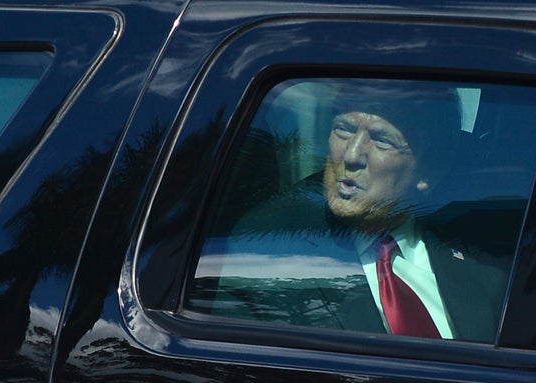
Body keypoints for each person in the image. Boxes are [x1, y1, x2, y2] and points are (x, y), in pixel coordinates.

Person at [195, 79, 508, 343]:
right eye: (343, 129)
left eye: (383, 141)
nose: (352, 154)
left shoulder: (483, 254)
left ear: (431, 171)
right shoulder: (267, 245)